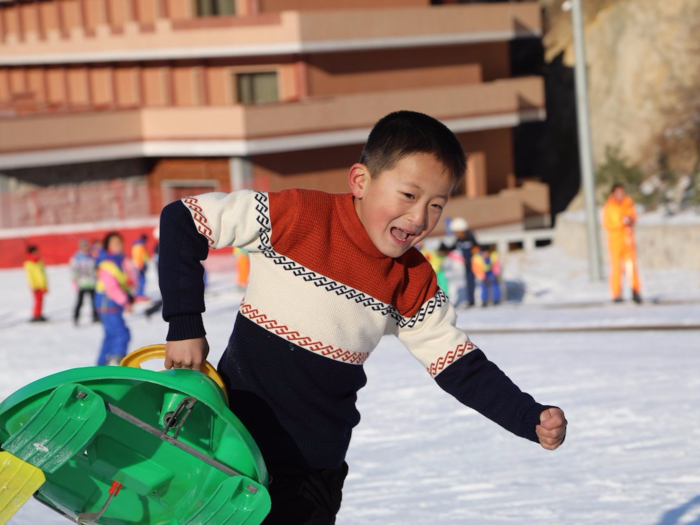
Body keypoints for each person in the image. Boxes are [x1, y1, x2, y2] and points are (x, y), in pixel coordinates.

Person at [158, 111, 567, 524]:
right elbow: (184, 219)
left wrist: (526, 416)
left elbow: (459, 365)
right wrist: (185, 324)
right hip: (228, 441)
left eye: (436, 205)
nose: (420, 218)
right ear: (360, 181)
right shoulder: (298, 216)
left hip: (309, 472)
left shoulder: (412, 279)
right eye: (409, 195)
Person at [95, 232, 135, 366]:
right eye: (114, 243)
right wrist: (125, 301)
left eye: (120, 242)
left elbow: (129, 279)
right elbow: (112, 287)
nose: (119, 246)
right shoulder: (106, 263)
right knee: (121, 333)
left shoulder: (120, 261)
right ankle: (116, 359)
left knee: (110, 335)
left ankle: (101, 365)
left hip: (112, 304)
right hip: (108, 304)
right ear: (107, 246)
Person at [602, 183, 642, 304]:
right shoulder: (609, 207)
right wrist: (621, 222)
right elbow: (608, 224)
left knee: (631, 267)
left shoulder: (627, 203)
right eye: (618, 192)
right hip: (615, 241)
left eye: (622, 192)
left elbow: (633, 217)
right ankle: (616, 293)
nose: (620, 194)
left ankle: (635, 291)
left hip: (628, 240)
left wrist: (630, 220)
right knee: (617, 268)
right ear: (613, 193)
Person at [445, 217, 478, 307]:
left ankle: (474, 300)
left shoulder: (470, 238)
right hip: (465, 265)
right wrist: (444, 249)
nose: (457, 234)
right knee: (468, 282)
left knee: (473, 282)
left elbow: (477, 249)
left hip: (473, 265)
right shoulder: (459, 240)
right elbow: (452, 247)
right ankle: (470, 300)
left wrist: (473, 260)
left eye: (458, 232)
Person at [69, 239, 99, 326]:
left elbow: (95, 269)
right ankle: (76, 317)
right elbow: (74, 271)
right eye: (83, 246)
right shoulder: (76, 258)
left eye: (86, 246)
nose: (85, 248)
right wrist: (75, 283)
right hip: (82, 283)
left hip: (92, 283)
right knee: (80, 302)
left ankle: (95, 316)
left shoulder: (92, 256)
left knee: (94, 301)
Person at [24, 245, 48, 323]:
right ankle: (36, 314)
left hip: (41, 284)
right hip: (36, 285)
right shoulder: (29, 262)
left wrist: (44, 284)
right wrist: (34, 285)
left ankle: (39, 314)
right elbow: (30, 276)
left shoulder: (39, 261)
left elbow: (42, 273)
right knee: (37, 300)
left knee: (41, 300)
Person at [131, 234, 150, 301]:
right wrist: (141, 265)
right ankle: (139, 295)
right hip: (140, 265)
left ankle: (139, 294)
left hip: (138, 265)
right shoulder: (140, 245)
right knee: (142, 280)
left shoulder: (137, 245)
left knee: (140, 280)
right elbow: (139, 256)